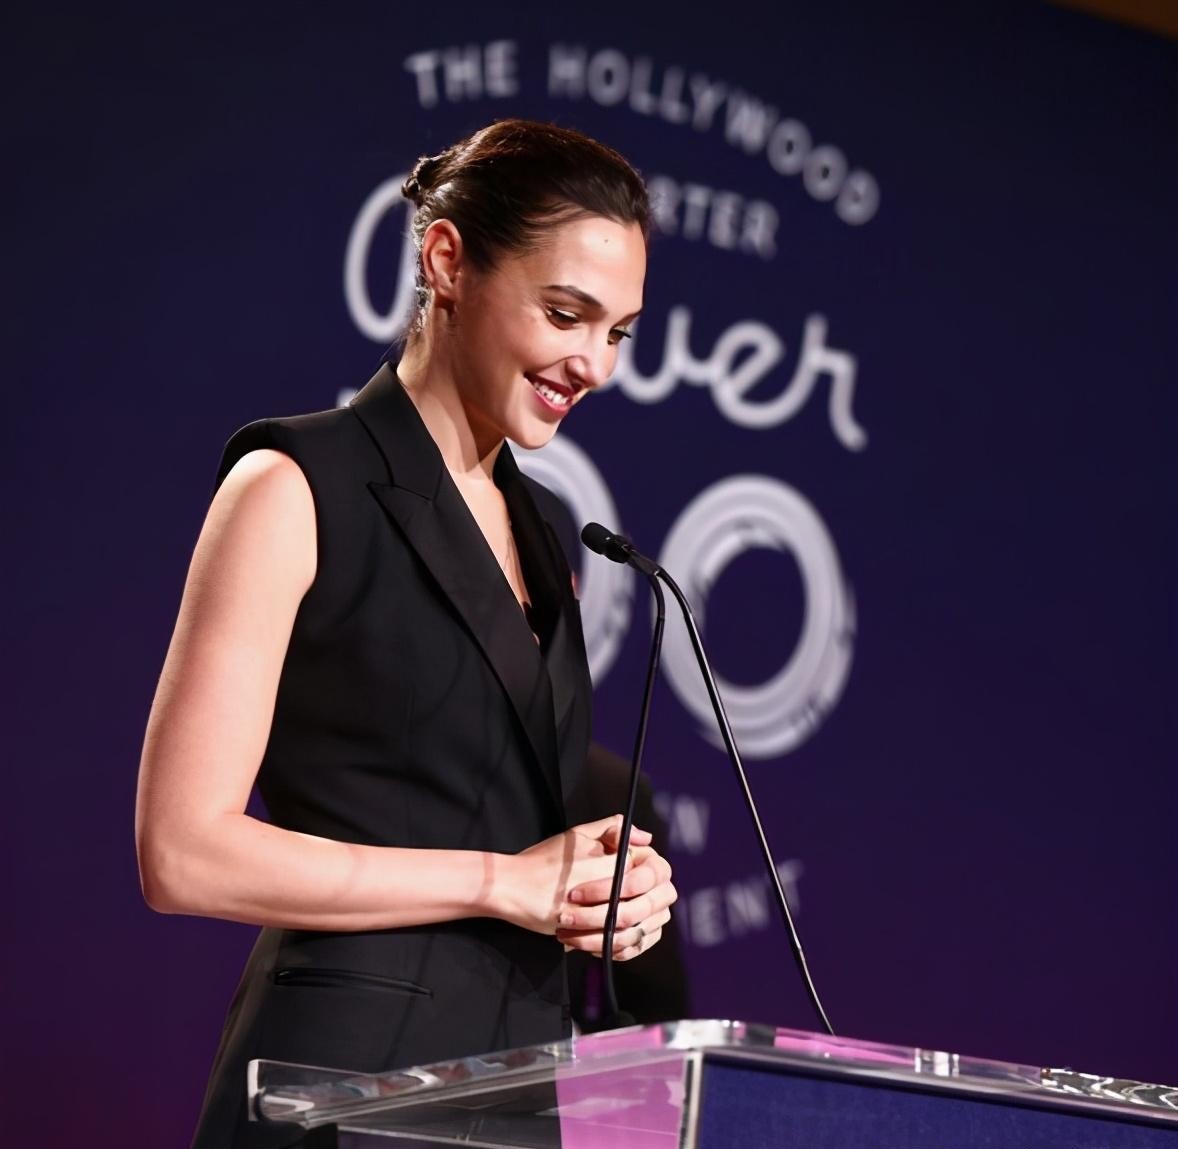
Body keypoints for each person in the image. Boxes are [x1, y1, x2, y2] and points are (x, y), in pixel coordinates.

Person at [134, 118, 678, 1148]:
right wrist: (502, 881)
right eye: (566, 313)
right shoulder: (292, 487)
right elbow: (182, 851)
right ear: (446, 262)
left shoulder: (544, 528)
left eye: (619, 332)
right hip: (341, 1083)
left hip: (517, 1089)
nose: (594, 365)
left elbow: (508, 813)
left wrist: (601, 891)